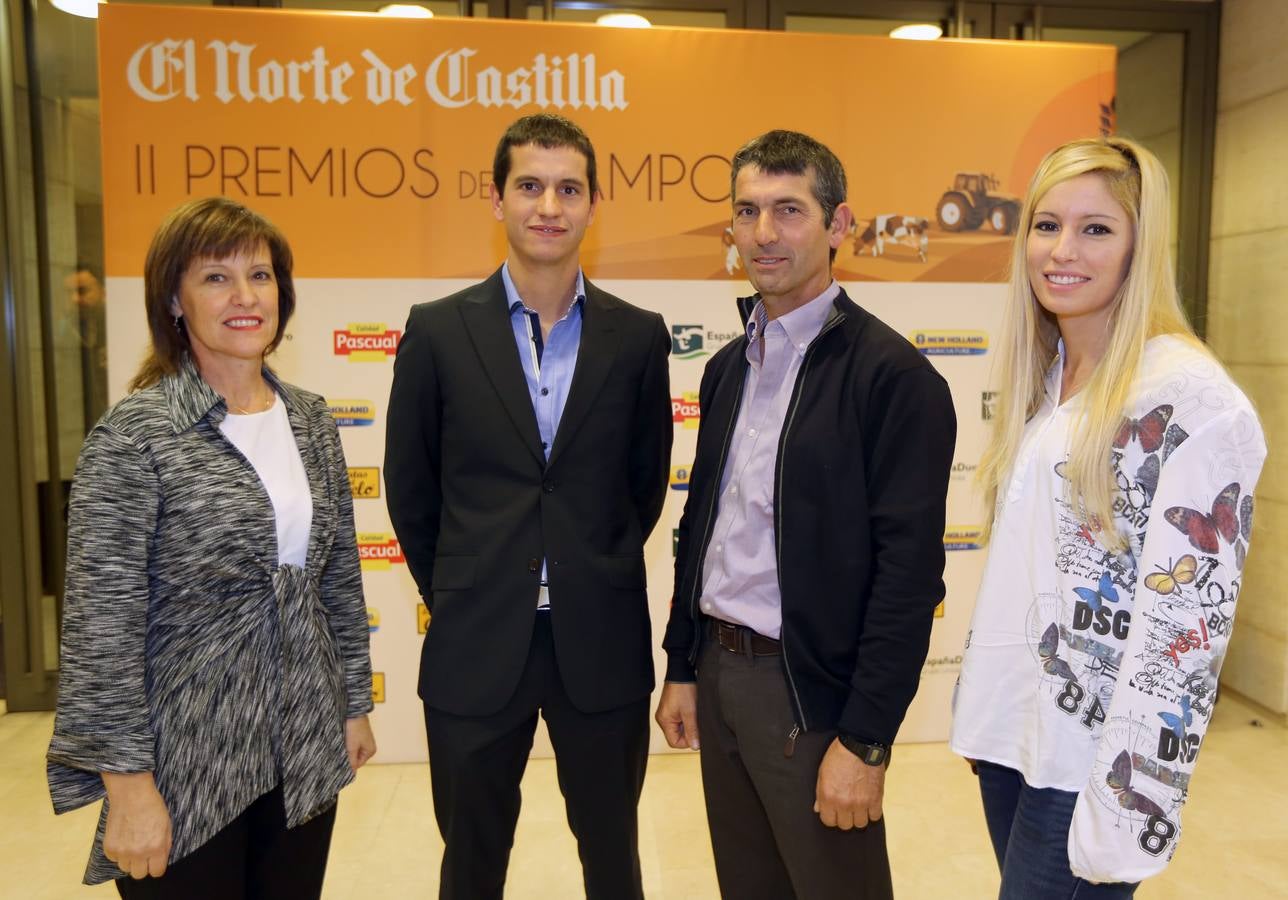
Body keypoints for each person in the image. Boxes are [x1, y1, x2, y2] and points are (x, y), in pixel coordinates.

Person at [949, 137, 1266, 898]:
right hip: (1014, 738)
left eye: (1096, 229)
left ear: (1139, 246)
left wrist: (1130, 809)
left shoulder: (1190, 400)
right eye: (1046, 224)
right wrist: (985, 710)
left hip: (1091, 763)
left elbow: (1186, 628)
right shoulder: (1053, 371)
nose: (1063, 250)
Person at [656, 129, 957, 899]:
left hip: (810, 693)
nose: (763, 233)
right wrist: (683, 665)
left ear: (839, 224)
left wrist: (865, 740)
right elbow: (703, 533)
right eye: (748, 210)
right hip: (722, 678)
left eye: (789, 210)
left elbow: (908, 578)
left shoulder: (894, 379)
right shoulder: (729, 368)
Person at [47, 197, 376, 898]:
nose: (245, 297)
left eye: (260, 276)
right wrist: (128, 788)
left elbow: (336, 578)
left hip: (302, 749)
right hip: (183, 766)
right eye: (216, 278)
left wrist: (350, 704)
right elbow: (101, 631)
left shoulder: (311, 418)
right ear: (174, 299)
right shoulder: (134, 436)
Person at [384, 113, 672, 900]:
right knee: (471, 866)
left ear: (592, 203)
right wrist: (469, 583)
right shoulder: (438, 331)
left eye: (569, 188)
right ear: (497, 198)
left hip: (600, 642)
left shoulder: (639, 337)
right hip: (477, 644)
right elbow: (411, 491)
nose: (550, 205)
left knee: (615, 862)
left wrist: (585, 563)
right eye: (530, 186)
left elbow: (644, 487)